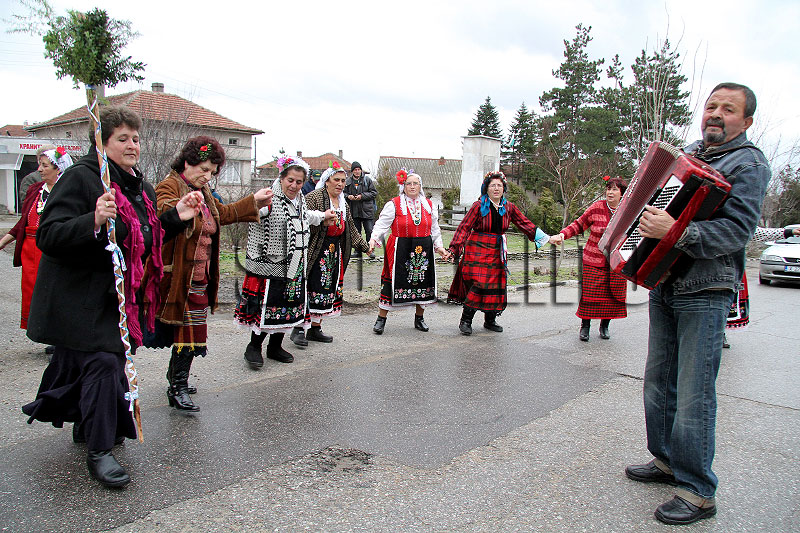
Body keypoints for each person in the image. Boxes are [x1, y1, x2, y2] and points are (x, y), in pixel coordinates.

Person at [21, 106, 204, 488]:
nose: (133, 145)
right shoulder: (83, 179)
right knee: (105, 362)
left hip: (120, 300)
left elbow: (142, 238)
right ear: (101, 143)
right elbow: (49, 235)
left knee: (97, 362)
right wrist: (93, 220)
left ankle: (89, 425)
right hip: (80, 299)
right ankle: (100, 451)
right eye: (122, 138)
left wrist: (177, 217)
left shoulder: (140, 186)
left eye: (136, 138)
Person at [625, 83, 770, 525]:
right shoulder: (688, 154)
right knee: (658, 382)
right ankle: (668, 459)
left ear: (745, 122)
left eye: (728, 110)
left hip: (706, 289)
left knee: (693, 393)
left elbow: (737, 232)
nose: (716, 114)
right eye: (711, 106)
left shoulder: (750, 164)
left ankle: (698, 490)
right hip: (665, 281)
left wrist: (674, 232)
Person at [152, 136, 273, 412]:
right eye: (204, 169)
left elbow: (224, 213)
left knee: (192, 330)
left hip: (199, 275)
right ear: (188, 162)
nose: (208, 177)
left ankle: (175, 377)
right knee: (186, 333)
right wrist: (180, 208)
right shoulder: (171, 185)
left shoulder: (203, 191)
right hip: (179, 276)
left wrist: (253, 201)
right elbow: (162, 214)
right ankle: (178, 387)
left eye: (212, 172)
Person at [234, 155, 334, 367]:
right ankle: (253, 347)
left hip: (294, 264)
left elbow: (305, 216)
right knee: (266, 306)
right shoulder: (269, 198)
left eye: (299, 182)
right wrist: (252, 204)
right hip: (269, 266)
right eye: (290, 180)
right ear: (281, 178)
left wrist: (323, 216)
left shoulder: (299, 201)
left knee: (287, 306)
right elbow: (253, 212)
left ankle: (275, 347)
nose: (294, 185)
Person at [447, 171, 549, 335]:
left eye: (499, 185)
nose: (496, 188)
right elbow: (464, 227)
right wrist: (454, 248)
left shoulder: (509, 207)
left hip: (497, 251)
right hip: (477, 250)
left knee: (496, 285)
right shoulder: (478, 206)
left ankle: (490, 320)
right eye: (492, 185)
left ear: (504, 188)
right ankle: (466, 320)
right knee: (478, 283)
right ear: (486, 188)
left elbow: (525, 224)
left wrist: (544, 238)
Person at [0, 147, 73, 345]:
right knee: (34, 294)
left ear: (58, 169)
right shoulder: (36, 191)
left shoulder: (68, 192)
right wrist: (5, 240)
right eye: (40, 165)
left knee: (55, 293)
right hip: (30, 251)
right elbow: (23, 222)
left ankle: (59, 339)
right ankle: (46, 334)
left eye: (45, 165)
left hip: (51, 249)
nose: (39, 169)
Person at [368, 169, 449, 334]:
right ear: (403, 186)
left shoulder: (429, 205)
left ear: (420, 186)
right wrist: (373, 239)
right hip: (400, 249)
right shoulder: (394, 204)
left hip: (423, 250)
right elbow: (382, 224)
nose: (412, 186)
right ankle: (381, 319)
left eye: (415, 183)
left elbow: (434, 229)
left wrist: (439, 247)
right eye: (408, 184)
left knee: (422, 282)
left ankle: (419, 318)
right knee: (391, 282)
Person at [549, 176, 629, 341]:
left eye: (614, 189)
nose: (610, 192)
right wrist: (562, 235)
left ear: (622, 193)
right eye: (608, 188)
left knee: (612, 297)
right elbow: (578, 225)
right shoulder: (597, 207)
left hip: (616, 262)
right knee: (590, 296)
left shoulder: (628, 210)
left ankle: (605, 326)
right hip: (594, 260)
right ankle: (585, 326)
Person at [344, 161, 377, 258]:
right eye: (355, 170)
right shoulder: (348, 182)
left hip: (367, 211)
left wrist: (361, 196)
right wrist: (348, 196)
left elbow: (374, 193)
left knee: (369, 231)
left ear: (361, 170)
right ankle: (357, 251)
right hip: (354, 211)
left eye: (358, 169)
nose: (357, 171)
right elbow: (343, 194)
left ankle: (370, 250)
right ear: (352, 171)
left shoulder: (367, 180)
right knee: (356, 232)